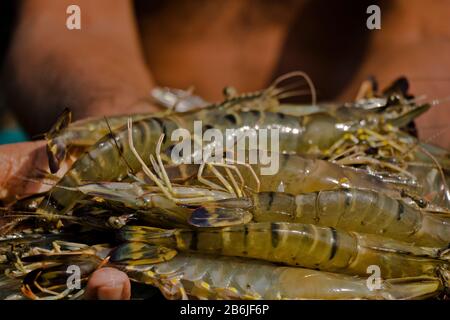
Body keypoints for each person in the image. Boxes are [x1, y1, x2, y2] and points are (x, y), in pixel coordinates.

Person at [1, 0, 450, 299]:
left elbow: (424, 33)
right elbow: (74, 16)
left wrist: (405, 173)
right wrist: (129, 129)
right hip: (145, 117)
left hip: (364, 162)